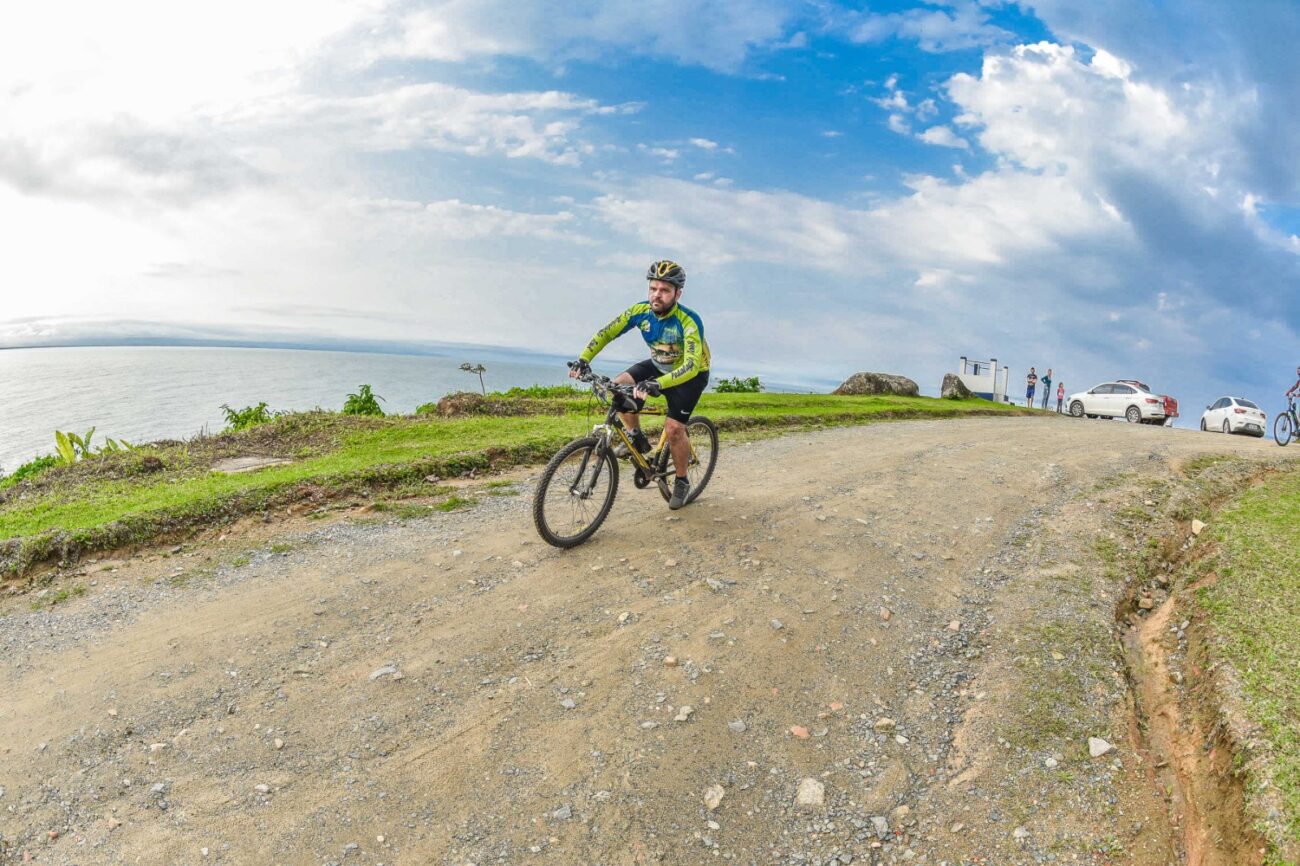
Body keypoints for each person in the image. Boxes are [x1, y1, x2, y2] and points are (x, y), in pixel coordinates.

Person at [570, 260, 711, 510]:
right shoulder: (640, 311)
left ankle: (681, 480)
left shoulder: (688, 321)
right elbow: (606, 333)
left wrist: (657, 384)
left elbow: (690, 364)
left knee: (674, 428)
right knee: (617, 388)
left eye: (665, 290)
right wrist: (584, 359)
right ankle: (636, 437)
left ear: (677, 294)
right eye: (653, 288)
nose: (657, 294)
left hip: (690, 375)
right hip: (658, 365)